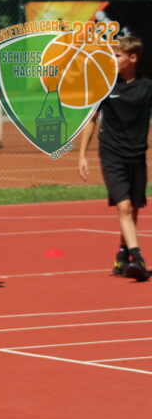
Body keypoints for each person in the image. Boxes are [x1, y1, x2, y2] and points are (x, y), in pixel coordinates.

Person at [77, 35, 152, 282]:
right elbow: (91, 120)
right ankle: (137, 258)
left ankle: (122, 254)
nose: (112, 60)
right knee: (123, 206)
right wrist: (82, 155)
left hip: (137, 154)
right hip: (111, 154)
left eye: (117, 56)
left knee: (134, 207)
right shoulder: (105, 86)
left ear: (133, 57)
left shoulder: (146, 87)